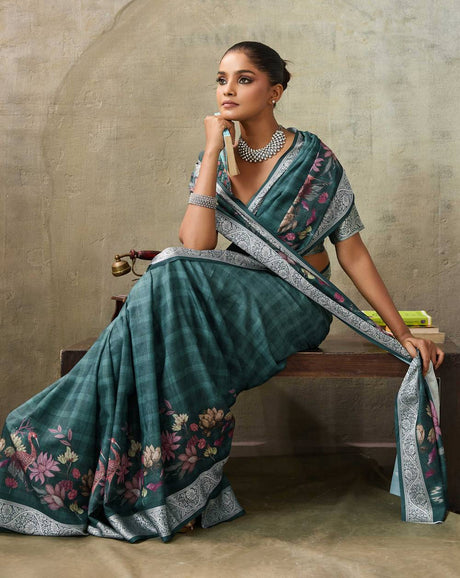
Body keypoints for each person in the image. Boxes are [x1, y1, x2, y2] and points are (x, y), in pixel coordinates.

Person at [0, 42, 447, 542]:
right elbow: (197, 244)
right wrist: (214, 151)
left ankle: (140, 471)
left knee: (169, 273)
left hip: (296, 300)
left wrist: (400, 332)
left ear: (275, 91)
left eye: (244, 79)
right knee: (170, 272)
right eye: (221, 79)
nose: (228, 90)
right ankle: (141, 474)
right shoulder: (215, 158)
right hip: (234, 294)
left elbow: (353, 254)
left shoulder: (314, 159)